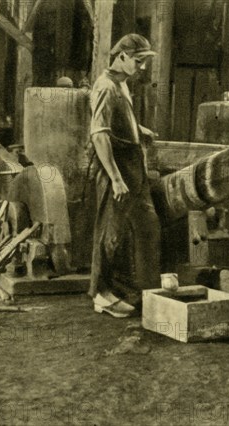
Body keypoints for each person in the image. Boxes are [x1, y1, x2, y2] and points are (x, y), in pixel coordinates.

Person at [88, 34, 161, 318]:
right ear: (121, 57)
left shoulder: (121, 84)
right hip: (116, 167)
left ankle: (143, 290)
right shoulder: (105, 87)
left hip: (134, 165)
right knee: (110, 233)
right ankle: (101, 294)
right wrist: (116, 178)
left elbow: (118, 121)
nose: (142, 67)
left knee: (148, 225)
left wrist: (137, 130)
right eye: (138, 61)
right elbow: (99, 136)